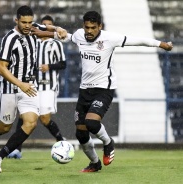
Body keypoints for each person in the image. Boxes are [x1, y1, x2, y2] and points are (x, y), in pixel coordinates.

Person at [33, 11, 173, 172]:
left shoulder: (109, 38)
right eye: (87, 27)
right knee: (81, 134)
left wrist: (161, 44)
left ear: (100, 26)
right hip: (85, 90)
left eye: (93, 27)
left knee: (91, 123)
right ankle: (94, 163)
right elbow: (59, 35)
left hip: (104, 89)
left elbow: (137, 41)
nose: (90, 31)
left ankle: (108, 143)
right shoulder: (79, 35)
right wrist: (39, 31)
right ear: (83, 26)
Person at [0, 6, 66, 173]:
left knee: (31, 123)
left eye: (30, 22)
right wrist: (20, 84)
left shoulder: (32, 29)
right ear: (16, 20)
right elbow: (1, 68)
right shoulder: (9, 39)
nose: (27, 25)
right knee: (5, 127)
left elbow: (46, 27)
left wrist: (58, 29)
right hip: (9, 87)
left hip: (29, 86)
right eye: (23, 22)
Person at [7, 15, 67, 159]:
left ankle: (62, 142)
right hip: (33, 85)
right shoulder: (33, 41)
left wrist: (49, 66)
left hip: (48, 86)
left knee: (44, 119)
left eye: (49, 25)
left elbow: (63, 64)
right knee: (23, 116)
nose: (46, 28)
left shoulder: (56, 43)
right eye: (44, 25)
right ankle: (16, 150)